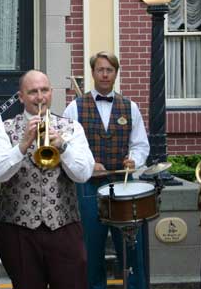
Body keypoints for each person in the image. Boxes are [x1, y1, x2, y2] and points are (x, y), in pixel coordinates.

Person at [0, 70, 95, 289]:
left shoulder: (72, 128)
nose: (40, 97)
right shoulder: (3, 129)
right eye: (33, 92)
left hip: (63, 227)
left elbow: (83, 174)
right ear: (21, 97)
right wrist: (22, 145)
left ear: (51, 93)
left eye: (44, 90)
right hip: (18, 229)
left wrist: (62, 146)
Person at [63, 51, 150, 289]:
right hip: (89, 187)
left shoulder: (130, 107)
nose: (104, 74)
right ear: (92, 73)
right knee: (91, 249)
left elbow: (141, 144)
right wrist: (89, 165)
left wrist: (134, 159)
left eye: (109, 70)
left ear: (116, 73)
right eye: (100, 69)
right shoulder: (74, 108)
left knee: (131, 247)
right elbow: (65, 145)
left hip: (124, 185)